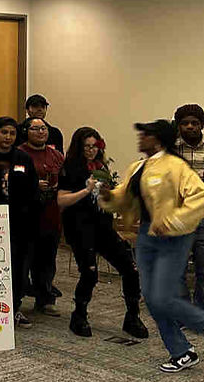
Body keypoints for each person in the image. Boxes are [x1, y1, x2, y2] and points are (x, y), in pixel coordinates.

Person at [100, 120, 204, 373]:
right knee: (152, 298)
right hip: (147, 234)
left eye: (145, 134)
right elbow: (124, 197)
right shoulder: (138, 166)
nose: (140, 138)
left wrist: (174, 221)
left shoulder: (176, 166)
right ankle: (183, 351)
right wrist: (107, 196)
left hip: (172, 237)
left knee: (161, 297)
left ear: (157, 140)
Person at [57, 127, 146, 338]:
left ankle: (132, 316)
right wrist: (86, 190)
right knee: (90, 272)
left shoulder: (101, 167)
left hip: (103, 226)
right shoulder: (70, 168)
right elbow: (61, 200)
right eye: (87, 147)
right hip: (80, 226)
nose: (91, 151)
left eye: (94, 146)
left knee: (131, 269)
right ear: (79, 147)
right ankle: (79, 315)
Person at [0, 117, 40, 327]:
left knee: (18, 267)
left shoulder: (23, 158)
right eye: (4, 132)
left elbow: (32, 189)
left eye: (12, 133)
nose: (8, 137)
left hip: (18, 221)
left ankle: (14, 307)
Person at [173, 103, 204, 321]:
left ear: (202, 124)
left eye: (195, 123)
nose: (190, 127)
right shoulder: (169, 148)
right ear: (178, 125)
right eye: (185, 123)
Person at [18, 117, 65, 316]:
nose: (41, 132)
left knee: (47, 259)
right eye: (35, 129)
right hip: (27, 216)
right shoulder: (19, 154)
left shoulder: (56, 155)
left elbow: (66, 179)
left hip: (51, 215)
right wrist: (33, 184)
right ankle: (17, 301)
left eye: (43, 128)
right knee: (24, 260)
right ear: (26, 132)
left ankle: (45, 299)